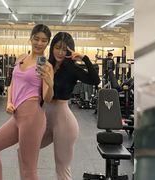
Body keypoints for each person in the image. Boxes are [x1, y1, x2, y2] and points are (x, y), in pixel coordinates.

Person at [18, 32, 100, 179]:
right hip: (46, 118)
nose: (60, 53)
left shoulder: (73, 69)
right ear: (52, 47)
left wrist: (84, 58)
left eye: (64, 49)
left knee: (62, 169)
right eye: (57, 48)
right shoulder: (46, 64)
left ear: (70, 50)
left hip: (64, 121)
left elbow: (95, 81)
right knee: (22, 152)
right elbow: (37, 89)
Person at [0, 24, 54, 180]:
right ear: (31, 38)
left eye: (44, 40)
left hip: (32, 118)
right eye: (36, 39)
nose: (39, 43)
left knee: (28, 168)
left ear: (48, 43)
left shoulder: (46, 65)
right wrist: (9, 102)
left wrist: (49, 83)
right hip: (17, 116)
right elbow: (13, 83)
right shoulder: (21, 57)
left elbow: (47, 99)